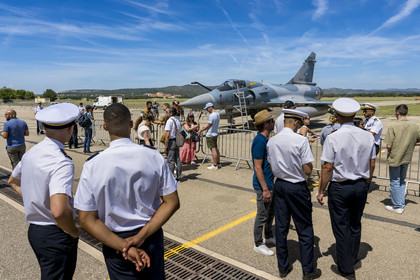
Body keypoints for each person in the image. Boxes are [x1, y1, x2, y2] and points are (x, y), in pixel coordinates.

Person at [74, 103, 180, 280]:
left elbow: (85, 219)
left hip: (113, 241)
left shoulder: (92, 165)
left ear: (105, 127)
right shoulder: (153, 156)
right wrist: (140, 237)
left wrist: (124, 245)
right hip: (150, 235)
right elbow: (172, 202)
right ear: (131, 125)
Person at [8, 103, 80, 279]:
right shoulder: (61, 161)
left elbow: (13, 181)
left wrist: (36, 202)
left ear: (44, 127)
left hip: (36, 231)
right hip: (55, 233)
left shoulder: (33, 152)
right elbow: (59, 210)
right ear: (70, 129)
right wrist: (72, 231)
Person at [317, 98, 376, 279]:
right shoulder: (367, 135)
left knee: (341, 227)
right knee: (355, 224)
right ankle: (353, 257)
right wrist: (367, 181)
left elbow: (327, 167)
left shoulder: (333, 137)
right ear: (355, 115)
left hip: (340, 187)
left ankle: (346, 268)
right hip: (360, 185)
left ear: (336, 116)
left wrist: (321, 190)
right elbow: (372, 163)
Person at [267, 109, 320, 279]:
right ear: (296, 123)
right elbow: (307, 168)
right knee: (304, 228)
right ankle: (308, 270)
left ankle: (283, 267)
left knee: (281, 228)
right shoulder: (300, 140)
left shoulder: (272, 140)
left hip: (280, 185)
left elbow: (271, 163)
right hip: (296, 187)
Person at [383, 104, 420, 214]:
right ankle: (401, 203)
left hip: (395, 158)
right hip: (407, 157)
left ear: (397, 113)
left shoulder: (393, 127)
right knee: (402, 180)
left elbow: (388, 145)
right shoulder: (415, 126)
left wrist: (391, 150)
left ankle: (398, 206)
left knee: (394, 181)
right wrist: (411, 143)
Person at [251, 110, 275, 256]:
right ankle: (258, 243)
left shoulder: (266, 139)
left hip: (270, 183)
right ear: (266, 124)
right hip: (263, 185)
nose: (274, 122)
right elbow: (257, 167)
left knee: (270, 213)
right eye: (272, 121)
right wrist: (265, 189)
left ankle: (269, 236)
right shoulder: (259, 141)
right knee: (262, 215)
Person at [198, 102, 221, 170]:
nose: (207, 110)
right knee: (216, 149)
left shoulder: (211, 116)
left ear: (210, 107)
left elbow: (208, 125)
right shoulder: (217, 114)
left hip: (210, 134)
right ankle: (218, 163)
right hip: (215, 133)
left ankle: (215, 164)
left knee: (213, 150)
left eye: (207, 108)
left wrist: (201, 130)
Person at [165, 107, 183, 180]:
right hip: (177, 141)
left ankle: (170, 177)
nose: (167, 113)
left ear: (171, 113)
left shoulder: (169, 121)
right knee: (177, 159)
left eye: (168, 112)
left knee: (170, 160)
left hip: (172, 141)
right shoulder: (177, 121)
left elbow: (167, 134)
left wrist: (165, 146)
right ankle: (179, 175)